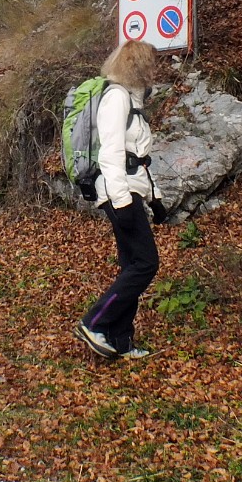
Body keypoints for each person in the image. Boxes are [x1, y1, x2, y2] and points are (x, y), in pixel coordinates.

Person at [74, 39, 167, 361]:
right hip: (117, 192)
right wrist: (123, 202)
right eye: (151, 64)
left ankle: (121, 341)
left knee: (132, 266)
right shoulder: (116, 98)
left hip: (129, 189)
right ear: (138, 65)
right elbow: (111, 154)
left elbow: (137, 158)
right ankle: (94, 322)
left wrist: (155, 198)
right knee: (145, 264)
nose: (155, 70)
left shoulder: (132, 101)